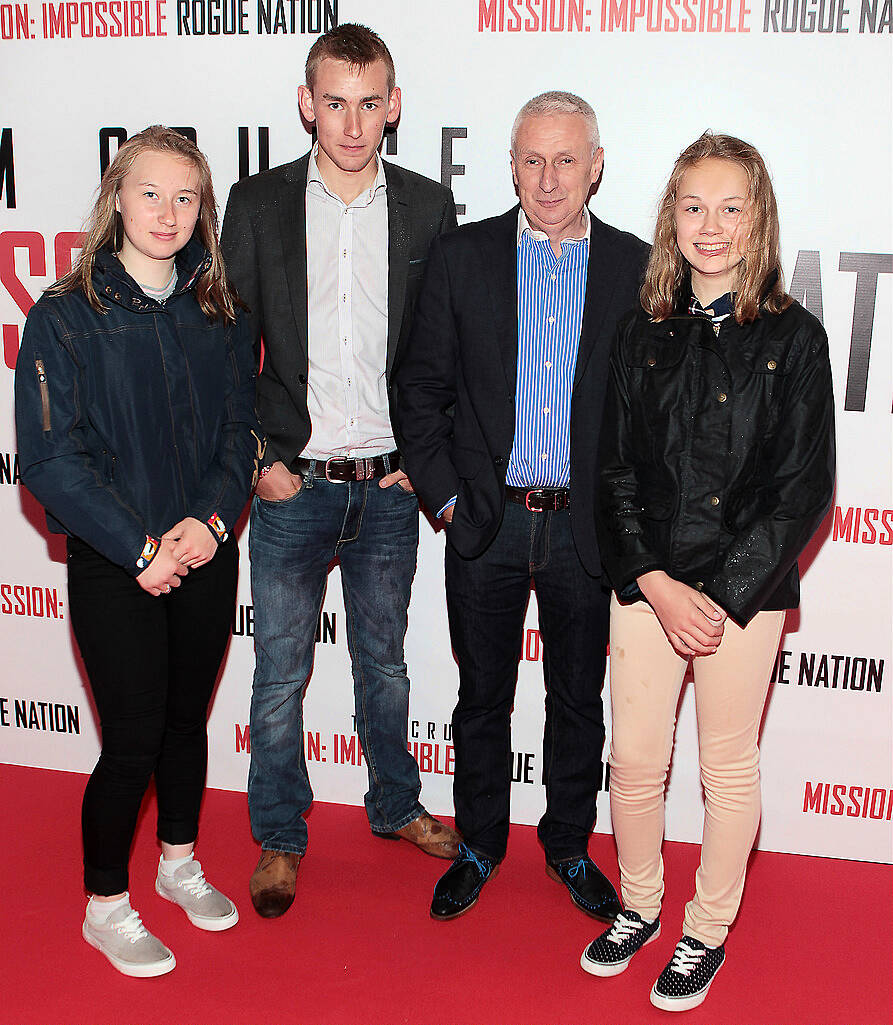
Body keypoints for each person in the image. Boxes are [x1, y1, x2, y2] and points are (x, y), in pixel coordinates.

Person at [581, 132, 835, 1011]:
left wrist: (720, 597)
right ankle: (641, 906)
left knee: (726, 767)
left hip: (745, 594)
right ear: (669, 216)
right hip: (647, 586)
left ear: (757, 216)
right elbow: (610, 471)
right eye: (693, 205)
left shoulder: (795, 338)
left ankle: (705, 930)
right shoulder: (638, 331)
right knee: (636, 762)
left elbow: (802, 490)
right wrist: (652, 579)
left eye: (731, 207)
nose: (711, 225)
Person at [220, 23, 460, 920]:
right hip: (293, 485)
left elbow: (446, 352)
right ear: (304, 103)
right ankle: (280, 832)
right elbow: (222, 346)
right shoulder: (256, 205)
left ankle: (394, 805)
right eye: (334, 101)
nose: (352, 123)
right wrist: (255, 462)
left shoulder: (430, 209)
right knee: (279, 670)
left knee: (384, 664)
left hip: (391, 488)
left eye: (369, 103)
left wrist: (422, 458)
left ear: (392, 106)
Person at [15, 126, 262, 977]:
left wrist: (212, 524)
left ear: (204, 212)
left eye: (185, 197)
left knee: (184, 724)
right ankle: (106, 903)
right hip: (115, 565)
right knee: (130, 740)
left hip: (204, 550)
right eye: (150, 192)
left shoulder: (221, 313)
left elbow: (240, 433)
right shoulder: (63, 316)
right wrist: (138, 547)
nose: (166, 212)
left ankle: (179, 861)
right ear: (116, 197)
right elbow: (49, 461)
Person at [396, 92, 649, 921]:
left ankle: (569, 845)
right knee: (482, 698)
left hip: (584, 529)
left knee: (578, 697)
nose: (548, 179)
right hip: (487, 522)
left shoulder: (636, 268)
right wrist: (444, 499)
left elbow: (650, 412)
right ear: (510, 165)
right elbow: (420, 388)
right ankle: (478, 844)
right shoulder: (462, 257)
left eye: (566, 160)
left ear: (595, 165)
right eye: (531, 160)